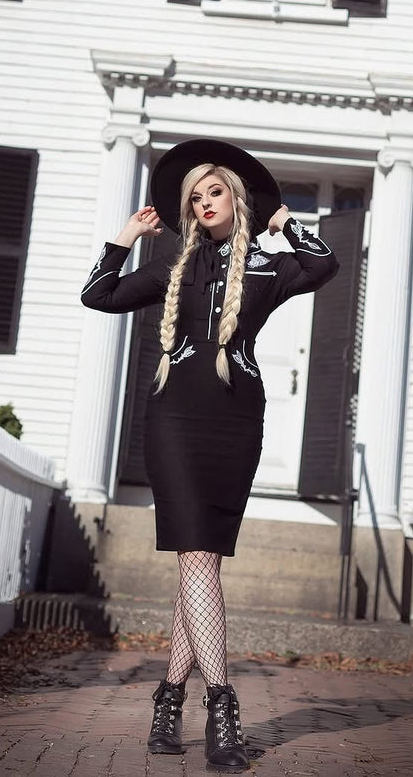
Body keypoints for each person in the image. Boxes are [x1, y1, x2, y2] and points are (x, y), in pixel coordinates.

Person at [81, 138, 338, 773]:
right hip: (173, 420)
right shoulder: (172, 267)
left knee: (200, 562)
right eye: (193, 197)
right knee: (198, 560)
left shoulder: (268, 269)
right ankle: (222, 708)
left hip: (236, 422)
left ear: (236, 199)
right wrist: (124, 238)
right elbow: (99, 295)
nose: (202, 203)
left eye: (213, 192)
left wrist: (285, 222)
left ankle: (167, 702)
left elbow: (324, 263)